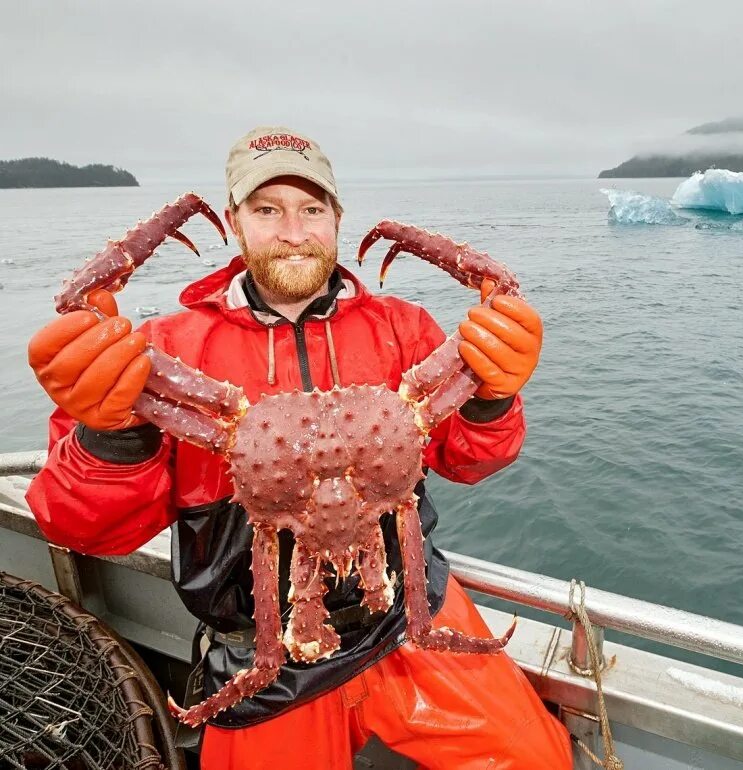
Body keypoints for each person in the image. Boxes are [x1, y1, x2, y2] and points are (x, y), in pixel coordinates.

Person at [25, 126, 572, 770]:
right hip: (265, 649)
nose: (293, 231)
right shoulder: (160, 356)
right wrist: (113, 436)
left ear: (337, 218)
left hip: (410, 609)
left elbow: (472, 458)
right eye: (267, 210)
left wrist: (491, 399)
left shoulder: (404, 329)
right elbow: (84, 528)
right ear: (234, 222)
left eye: (312, 209)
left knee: (539, 760)